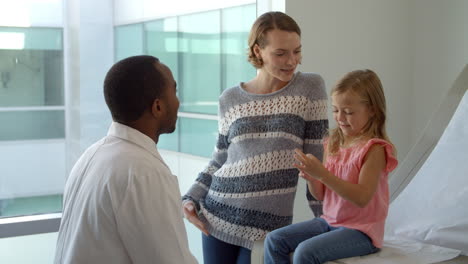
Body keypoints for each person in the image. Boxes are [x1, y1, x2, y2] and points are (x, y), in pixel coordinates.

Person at [182, 11, 328, 264]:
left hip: (268, 228)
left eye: (297, 51)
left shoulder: (310, 88)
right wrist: (190, 198)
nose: (292, 61)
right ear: (258, 51)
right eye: (280, 53)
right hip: (217, 216)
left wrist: (326, 222)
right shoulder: (230, 98)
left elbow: (315, 164)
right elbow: (219, 159)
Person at [54, 55, 197, 264]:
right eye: (174, 91)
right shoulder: (143, 173)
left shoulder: (92, 156)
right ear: (157, 107)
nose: (178, 102)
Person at [263, 69, 398, 264]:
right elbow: (322, 196)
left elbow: (361, 198)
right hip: (329, 221)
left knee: (305, 252)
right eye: (335, 110)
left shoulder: (374, 149)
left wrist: (323, 174)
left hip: (362, 231)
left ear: (372, 110)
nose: (340, 117)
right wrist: (312, 178)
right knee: (274, 240)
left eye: (349, 112)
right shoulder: (333, 142)